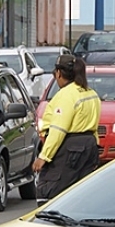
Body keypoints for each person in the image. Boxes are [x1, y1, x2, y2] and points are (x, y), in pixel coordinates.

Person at [32, 54, 101, 205]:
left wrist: (44, 157)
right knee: (81, 193)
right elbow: (94, 127)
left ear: (58, 73)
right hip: (89, 146)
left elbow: (58, 129)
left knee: (49, 192)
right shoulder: (91, 93)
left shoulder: (66, 95)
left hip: (69, 148)